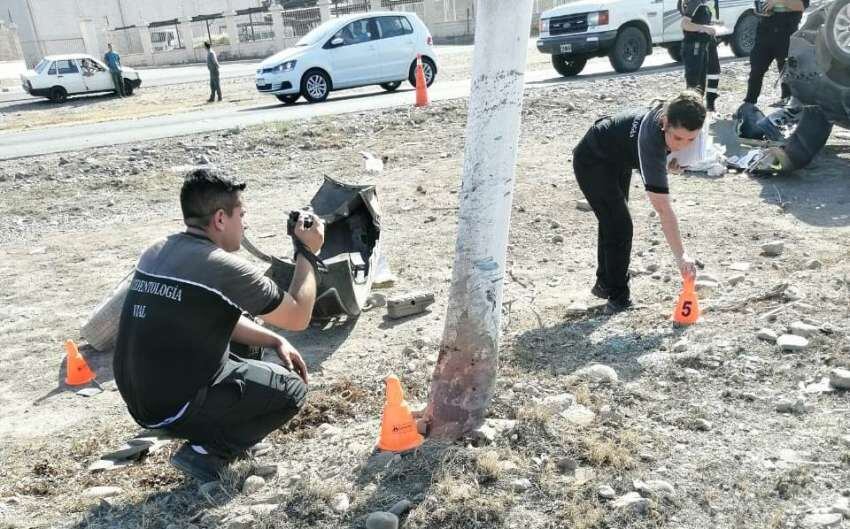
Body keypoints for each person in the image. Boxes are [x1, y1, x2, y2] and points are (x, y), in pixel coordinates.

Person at [113, 168, 325, 482]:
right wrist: (307, 251)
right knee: (292, 390)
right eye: (242, 214)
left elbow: (203, 313)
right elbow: (298, 316)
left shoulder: (158, 250)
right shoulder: (223, 267)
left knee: (253, 341)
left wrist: (273, 340)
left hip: (140, 401)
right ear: (220, 219)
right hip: (174, 405)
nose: (246, 223)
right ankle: (207, 452)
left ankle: (209, 423)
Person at [572, 91, 701, 313]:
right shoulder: (650, 142)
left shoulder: (675, 112)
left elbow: (670, 146)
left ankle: (605, 282)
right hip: (592, 158)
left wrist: (670, 157)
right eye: (677, 138)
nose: (682, 145)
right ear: (664, 122)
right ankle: (618, 298)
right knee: (620, 225)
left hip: (619, 157)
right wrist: (681, 256)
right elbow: (663, 209)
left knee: (612, 220)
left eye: (690, 139)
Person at [742, 0, 809, 110]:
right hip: (764, 32)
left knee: (786, 70)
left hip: (786, 33)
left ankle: (787, 101)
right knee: (756, 68)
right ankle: (749, 102)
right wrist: (760, 10)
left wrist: (777, 2)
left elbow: (801, 6)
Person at [680, 0, 721, 112]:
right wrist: (705, 28)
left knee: (713, 72)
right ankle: (691, 110)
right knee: (695, 82)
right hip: (694, 45)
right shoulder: (695, 2)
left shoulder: (706, 3)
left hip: (705, 43)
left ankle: (709, 106)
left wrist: (714, 27)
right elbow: (685, 24)